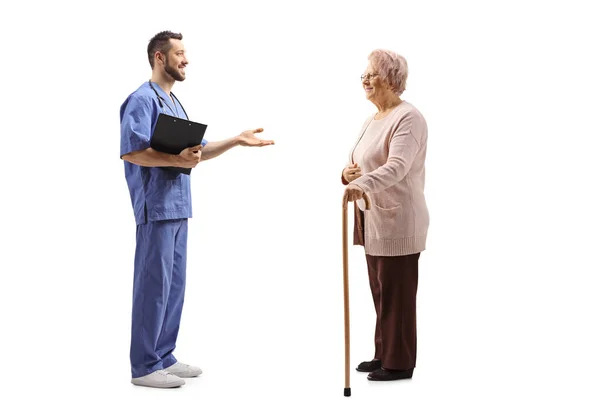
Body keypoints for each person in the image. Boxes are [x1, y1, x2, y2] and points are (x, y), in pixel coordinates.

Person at [119, 31, 274, 389]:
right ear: (160, 57)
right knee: (153, 286)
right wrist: (175, 158)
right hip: (155, 207)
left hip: (178, 207)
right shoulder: (142, 100)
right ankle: (143, 366)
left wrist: (236, 140)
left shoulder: (174, 103)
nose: (186, 60)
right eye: (180, 53)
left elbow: (198, 151)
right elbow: (131, 151)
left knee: (174, 287)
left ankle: (164, 356)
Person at [341, 49, 429, 381]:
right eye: (363, 74)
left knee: (397, 295)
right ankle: (383, 354)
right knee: (381, 291)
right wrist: (348, 174)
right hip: (372, 217)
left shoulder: (408, 117)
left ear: (391, 78)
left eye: (372, 73)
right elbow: (362, 162)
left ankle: (400, 362)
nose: (364, 79)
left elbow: (397, 167)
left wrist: (361, 182)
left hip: (398, 219)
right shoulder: (373, 118)